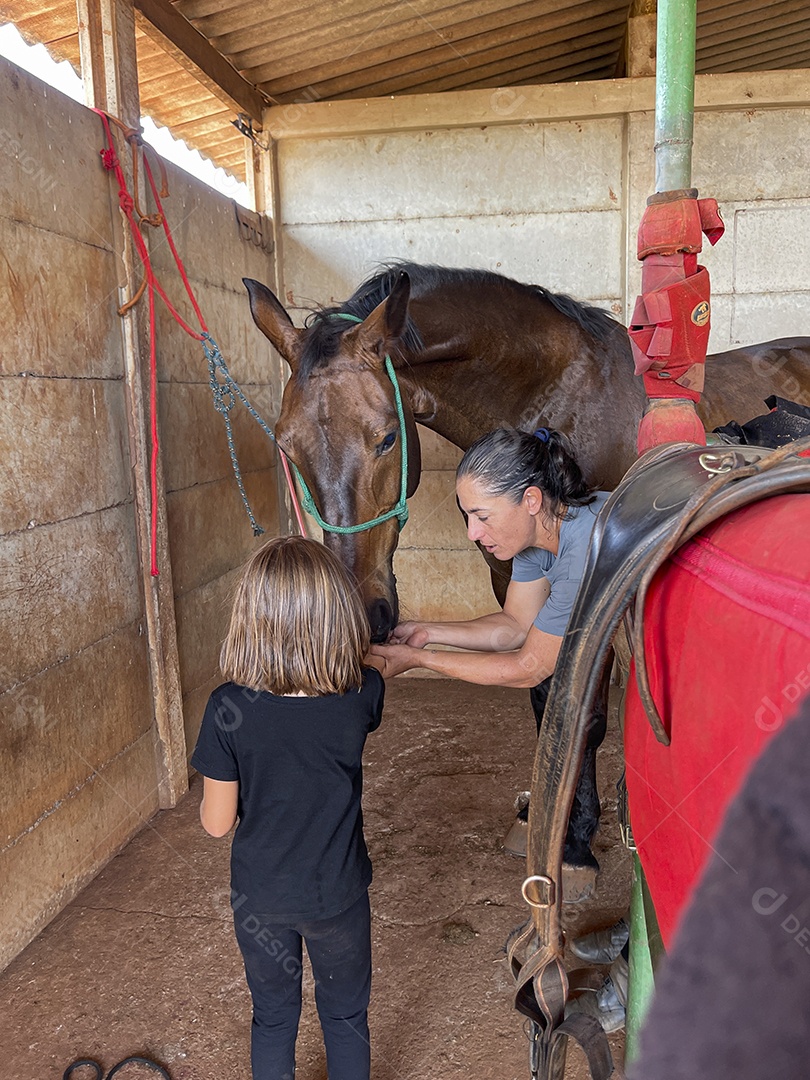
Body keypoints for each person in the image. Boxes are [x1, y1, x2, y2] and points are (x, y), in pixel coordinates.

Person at [370, 426, 611, 876]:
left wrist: (419, 660)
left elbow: (528, 667)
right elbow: (513, 626)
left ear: (532, 500)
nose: (471, 533)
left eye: (481, 515)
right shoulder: (538, 537)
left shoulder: (583, 548)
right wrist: (426, 631)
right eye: (467, 516)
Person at [191, 536, 385, 1080]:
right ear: (338, 614)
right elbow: (358, 689)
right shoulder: (362, 691)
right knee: (346, 1016)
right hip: (338, 894)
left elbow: (216, 824)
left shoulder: (227, 708)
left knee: (274, 1018)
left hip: (262, 899)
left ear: (250, 618)